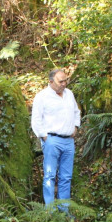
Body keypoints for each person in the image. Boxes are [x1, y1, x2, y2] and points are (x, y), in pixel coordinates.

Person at [31, 69, 81, 207]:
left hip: (68, 141)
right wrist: (45, 137)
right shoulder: (42, 97)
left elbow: (77, 112)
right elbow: (36, 120)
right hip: (52, 140)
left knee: (66, 177)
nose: (64, 84)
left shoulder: (69, 94)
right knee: (49, 176)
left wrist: (76, 127)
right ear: (51, 81)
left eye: (66, 80)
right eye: (61, 81)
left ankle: (64, 209)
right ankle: (50, 210)